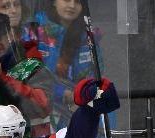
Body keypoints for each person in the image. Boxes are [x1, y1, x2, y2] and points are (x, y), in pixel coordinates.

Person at [0, 11, 53, 137]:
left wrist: (2, 78)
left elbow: (42, 106)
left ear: (11, 34)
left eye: (1, 35)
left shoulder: (29, 63)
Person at [26, 0, 103, 130]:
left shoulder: (88, 35)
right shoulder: (35, 31)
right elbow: (28, 77)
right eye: (67, 0)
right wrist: (63, 94)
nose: (72, 5)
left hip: (79, 110)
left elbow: (97, 74)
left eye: (78, 2)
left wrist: (82, 96)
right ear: (54, 2)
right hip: (42, 113)